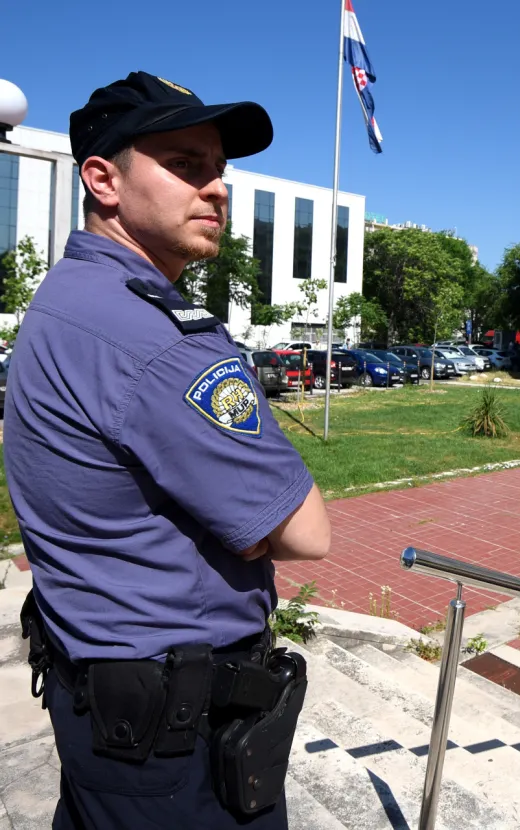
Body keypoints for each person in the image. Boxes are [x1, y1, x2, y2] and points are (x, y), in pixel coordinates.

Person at [7, 72, 331, 829]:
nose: (216, 189)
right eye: (185, 165)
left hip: (103, 706)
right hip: (173, 742)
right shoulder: (155, 338)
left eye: (219, 169)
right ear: (102, 179)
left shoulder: (66, 299)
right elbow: (306, 532)